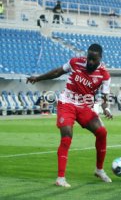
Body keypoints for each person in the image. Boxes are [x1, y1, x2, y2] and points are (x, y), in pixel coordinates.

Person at [26, 44, 113, 187]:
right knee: (67, 137)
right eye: (89, 58)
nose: (90, 62)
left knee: (102, 132)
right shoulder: (75, 62)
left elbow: (104, 98)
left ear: (100, 59)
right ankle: (60, 178)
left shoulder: (104, 74)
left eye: (94, 60)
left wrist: (107, 108)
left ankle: (99, 170)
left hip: (85, 106)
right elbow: (57, 72)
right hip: (67, 104)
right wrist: (38, 78)